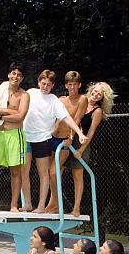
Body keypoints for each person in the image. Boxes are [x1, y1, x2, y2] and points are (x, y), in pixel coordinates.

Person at [21, 70, 86, 214]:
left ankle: (41, 206)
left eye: (48, 85)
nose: (45, 87)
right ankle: (28, 203)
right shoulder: (30, 93)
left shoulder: (54, 100)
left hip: (43, 139)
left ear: (53, 85)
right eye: (43, 83)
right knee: (23, 172)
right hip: (25, 137)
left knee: (44, 173)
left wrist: (80, 133)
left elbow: (67, 118)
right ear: (38, 82)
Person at [0, 62, 29, 212]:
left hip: (14, 135)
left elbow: (20, 117)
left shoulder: (24, 95)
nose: (16, 77)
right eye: (13, 73)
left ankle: (14, 205)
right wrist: (10, 112)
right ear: (9, 74)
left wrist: (1, 114)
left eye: (19, 75)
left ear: (22, 78)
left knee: (15, 171)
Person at [65, 82, 116, 216]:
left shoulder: (97, 111)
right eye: (95, 91)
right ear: (91, 90)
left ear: (102, 98)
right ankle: (54, 204)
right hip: (68, 138)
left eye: (99, 94)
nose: (95, 94)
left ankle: (76, 208)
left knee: (77, 175)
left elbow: (91, 132)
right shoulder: (82, 101)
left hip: (82, 143)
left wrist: (81, 150)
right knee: (57, 170)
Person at [47, 71, 88, 213]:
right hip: (53, 137)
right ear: (66, 85)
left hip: (64, 140)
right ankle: (53, 203)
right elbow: (55, 118)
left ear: (79, 85)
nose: (72, 87)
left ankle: (57, 203)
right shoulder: (61, 99)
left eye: (75, 84)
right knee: (51, 173)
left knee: (53, 172)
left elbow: (76, 119)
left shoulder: (82, 99)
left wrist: (70, 137)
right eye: (70, 84)